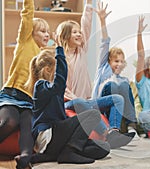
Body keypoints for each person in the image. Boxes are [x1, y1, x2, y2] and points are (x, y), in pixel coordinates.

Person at [56, 0, 135, 148]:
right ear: (65, 36)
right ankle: (105, 133)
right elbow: (62, 89)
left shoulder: (81, 51)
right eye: (75, 32)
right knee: (80, 102)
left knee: (117, 98)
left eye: (79, 32)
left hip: (88, 101)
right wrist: (78, 99)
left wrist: (89, 5)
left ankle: (114, 132)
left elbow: (86, 24)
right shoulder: (60, 59)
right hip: (71, 102)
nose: (79, 34)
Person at [26, 37, 110, 165]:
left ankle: (55, 155)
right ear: (48, 70)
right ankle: (70, 151)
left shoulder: (51, 89)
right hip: (47, 135)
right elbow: (59, 83)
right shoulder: (40, 85)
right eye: (57, 69)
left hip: (57, 137)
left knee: (103, 148)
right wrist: (60, 52)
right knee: (92, 115)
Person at [0, 0, 50, 168]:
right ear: (31, 33)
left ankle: (25, 158)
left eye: (48, 32)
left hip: (29, 101)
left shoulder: (43, 56)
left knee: (28, 127)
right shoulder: (25, 42)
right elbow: (27, 16)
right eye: (43, 31)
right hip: (12, 94)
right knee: (10, 122)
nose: (47, 34)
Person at [92, 1, 138, 135]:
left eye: (122, 61)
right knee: (114, 83)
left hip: (115, 102)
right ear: (109, 60)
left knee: (123, 83)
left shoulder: (122, 79)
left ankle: (130, 125)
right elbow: (105, 42)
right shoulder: (103, 67)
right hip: (101, 101)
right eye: (116, 61)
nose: (119, 64)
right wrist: (102, 21)